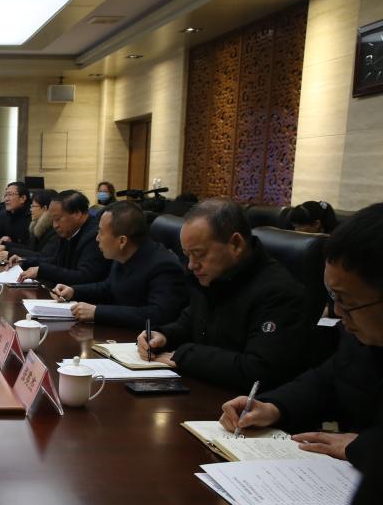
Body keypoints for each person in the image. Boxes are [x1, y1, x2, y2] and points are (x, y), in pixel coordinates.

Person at [219, 203, 383, 467]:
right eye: (333, 298)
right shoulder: (362, 339)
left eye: (347, 301)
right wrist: (272, 407)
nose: (338, 312)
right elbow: (326, 380)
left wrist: (362, 447)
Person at [137, 198, 307, 392]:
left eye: (199, 254)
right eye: (187, 255)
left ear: (236, 244)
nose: (191, 265)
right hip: (202, 388)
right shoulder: (215, 276)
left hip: (242, 403)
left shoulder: (279, 293)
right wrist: (163, 335)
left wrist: (185, 355)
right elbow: (190, 322)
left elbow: (258, 371)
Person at [49, 201, 188, 327]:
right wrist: (73, 291)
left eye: (101, 232)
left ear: (122, 241)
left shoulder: (164, 266)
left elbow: (158, 315)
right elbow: (109, 287)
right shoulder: (124, 255)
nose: (97, 238)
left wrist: (98, 312)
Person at [16, 190, 110, 285]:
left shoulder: (95, 236)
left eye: (57, 219)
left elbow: (84, 277)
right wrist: (25, 261)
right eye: (52, 220)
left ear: (77, 214)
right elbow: (57, 261)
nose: (55, 225)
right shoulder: (69, 230)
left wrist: (43, 271)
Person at [0, 189, 58, 262]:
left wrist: (10, 253)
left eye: (33, 206)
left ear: (44, 208)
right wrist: (6, 247)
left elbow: (43, 256)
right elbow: (30, 248)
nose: (31, 210)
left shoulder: (54, 231)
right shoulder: (38, 226)